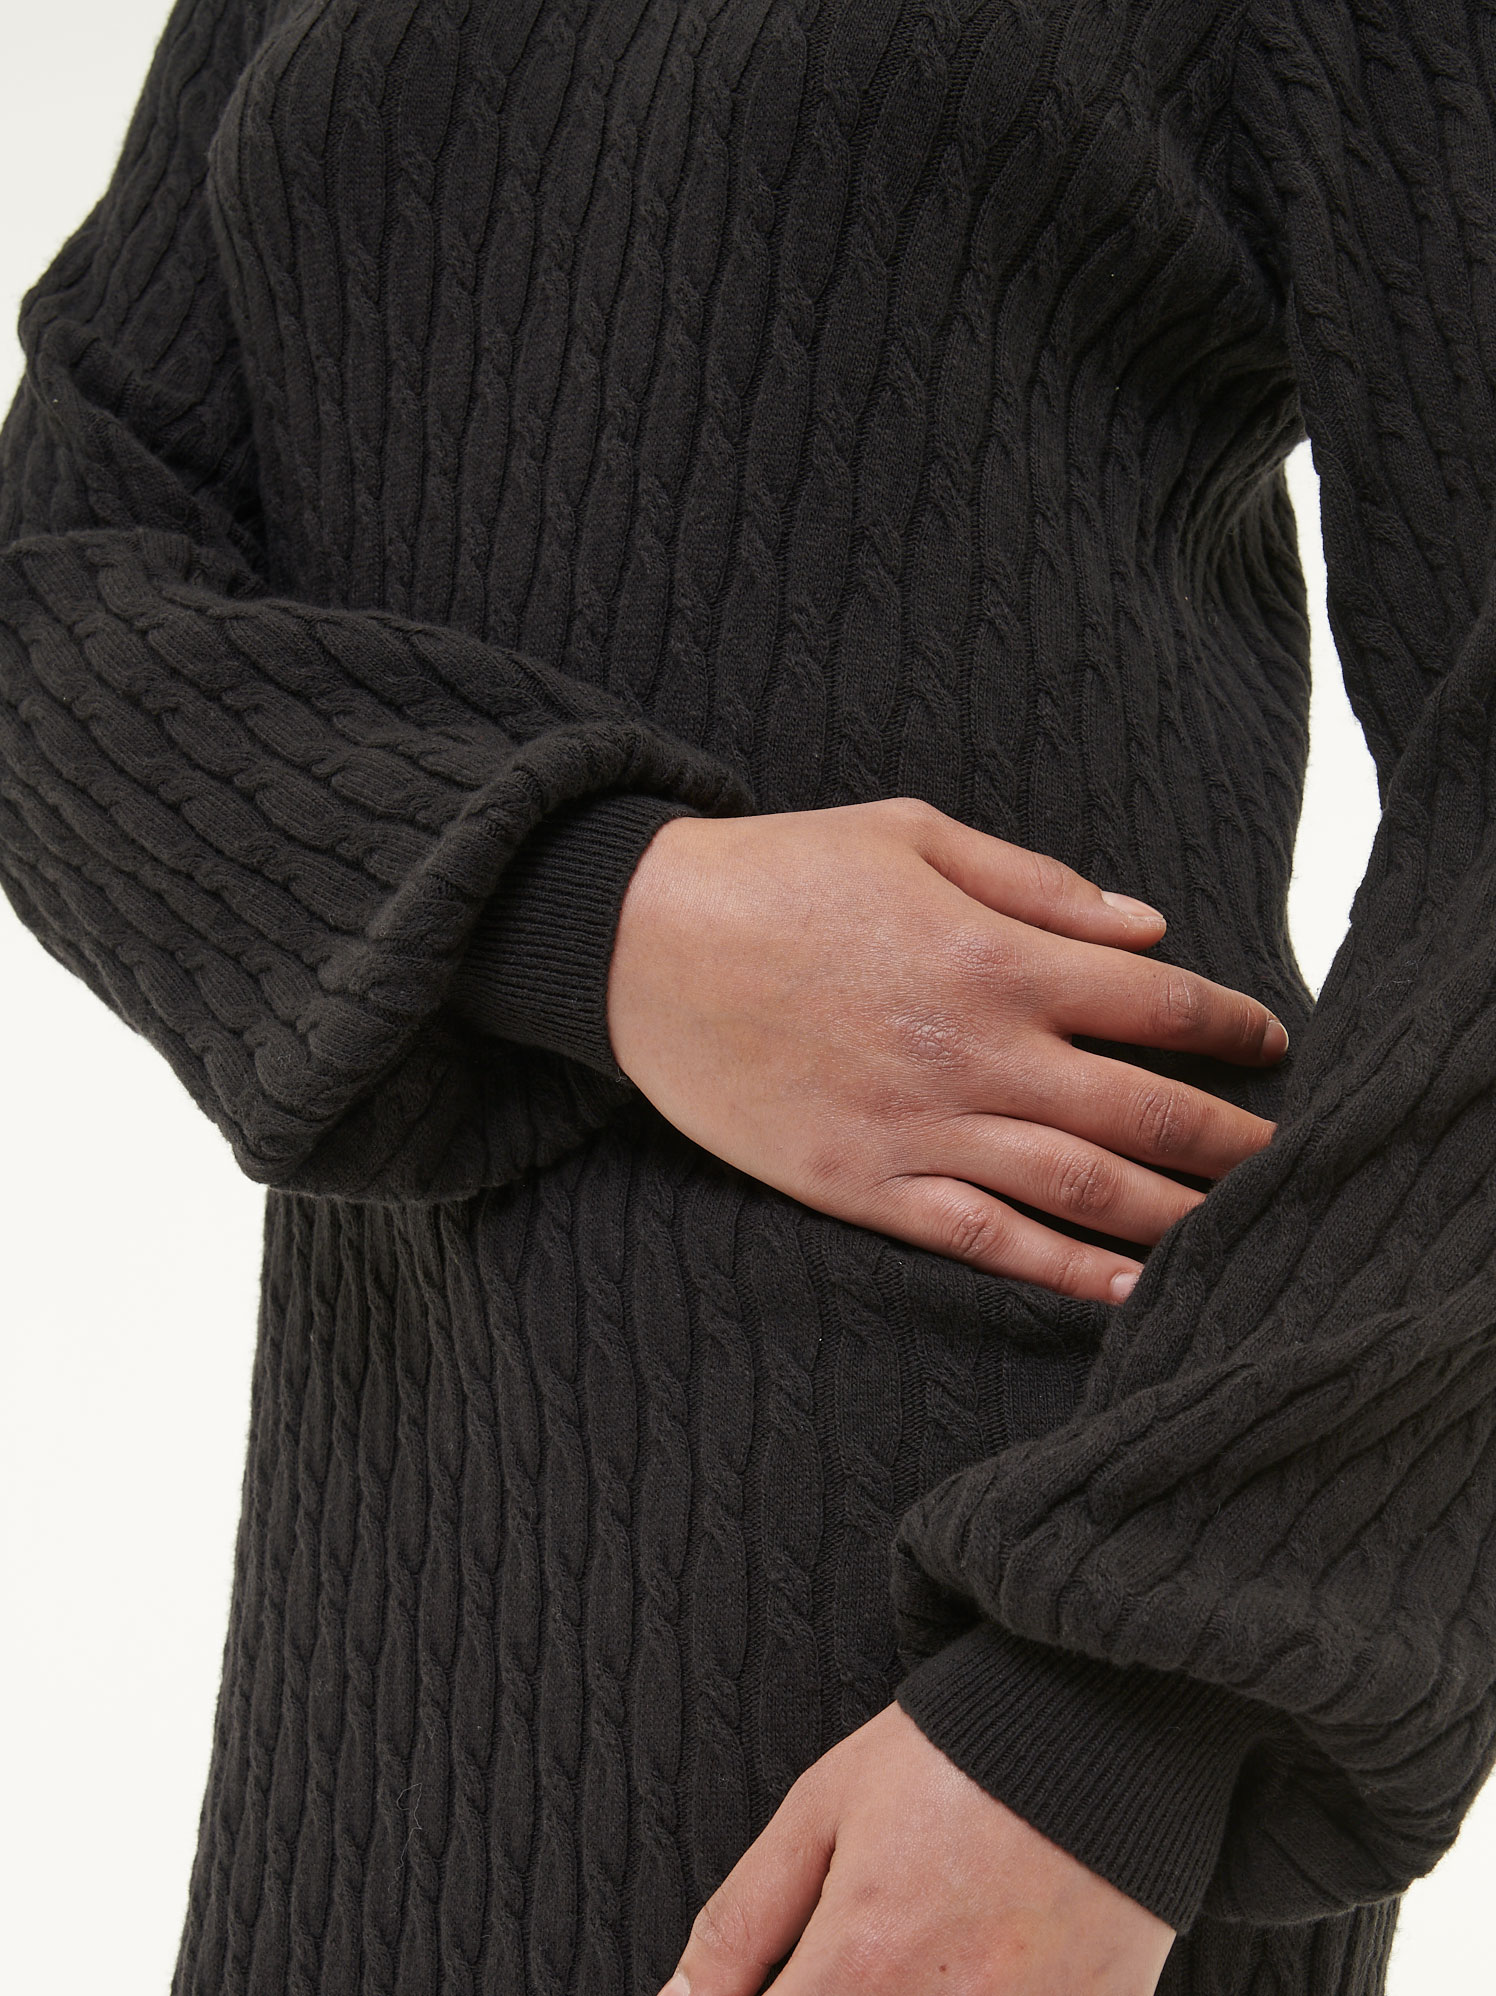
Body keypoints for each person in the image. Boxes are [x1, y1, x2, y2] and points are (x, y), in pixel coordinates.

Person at [2, 0, 1493, 1991]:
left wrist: (1116, 1718)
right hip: (390, 1580)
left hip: (1011, 1598)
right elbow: (50, 588)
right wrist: (602, 914)